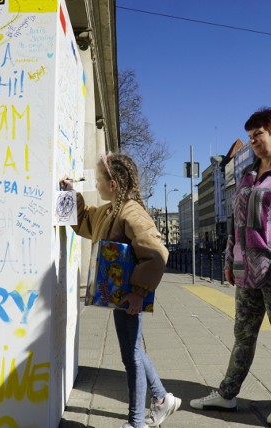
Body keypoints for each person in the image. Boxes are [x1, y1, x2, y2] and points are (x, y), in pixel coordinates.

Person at [189, 108, 271, 426]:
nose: (252, 142)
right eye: (249, 137)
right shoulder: (248, 175)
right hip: (245, 272)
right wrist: (229, 260)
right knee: (243, 335)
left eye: (257, 135)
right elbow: (236, 226)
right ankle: (227, 394)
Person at [60, 153, 181, 428]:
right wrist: (71, 194)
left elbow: (157, 253)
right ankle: (162, 400)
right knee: (133, 351)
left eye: (99, 180)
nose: (96, 185)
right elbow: (85, 219)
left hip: (129, 298)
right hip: (121, 297)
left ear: (113, 184)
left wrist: (139, 292)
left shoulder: (130, 211)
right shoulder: (112, 209)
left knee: (132, 356)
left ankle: (137, 422)